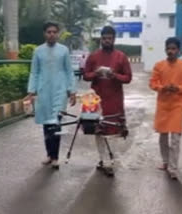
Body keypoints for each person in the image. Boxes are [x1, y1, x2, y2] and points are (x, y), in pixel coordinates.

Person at [24, 22, 76, 169]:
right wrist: (31, 90)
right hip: (44, 92)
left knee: (56, 123)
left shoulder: (64, 50)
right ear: (44, 34)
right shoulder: (38, 51)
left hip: (60, 91)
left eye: (54, 32)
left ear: (58, 34)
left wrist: (72, 91)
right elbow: (34, 72)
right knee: (47, 124)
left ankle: (55, 157)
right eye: (48, 32)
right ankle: (49, 154)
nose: (51, 34)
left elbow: (68, 71)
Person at [84, 26, 132, 176]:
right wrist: (95, 73)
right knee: (98, 130)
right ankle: (103, 159)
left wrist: (115, 75)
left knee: (113, 130)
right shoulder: (93, 56)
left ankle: (111, 161)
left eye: (110, 38)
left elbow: (128, 78)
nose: (107, 41)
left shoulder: (121, 57)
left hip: (114, 99)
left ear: (114, 39)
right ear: (101, 39)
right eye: (104, 38)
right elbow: (85, 75)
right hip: (96, 100)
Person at [149, 37, 182, 180]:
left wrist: (179, 88)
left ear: (179, 50)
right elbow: (152, 83)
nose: (171, 51)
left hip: (177, 105)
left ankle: (173, 168)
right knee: (163, 137)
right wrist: (163, 88)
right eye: (169, 48)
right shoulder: (159, 65)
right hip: (163, 105)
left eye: (174, 48)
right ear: (165, 49)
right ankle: (166, 162)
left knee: (175, 138)